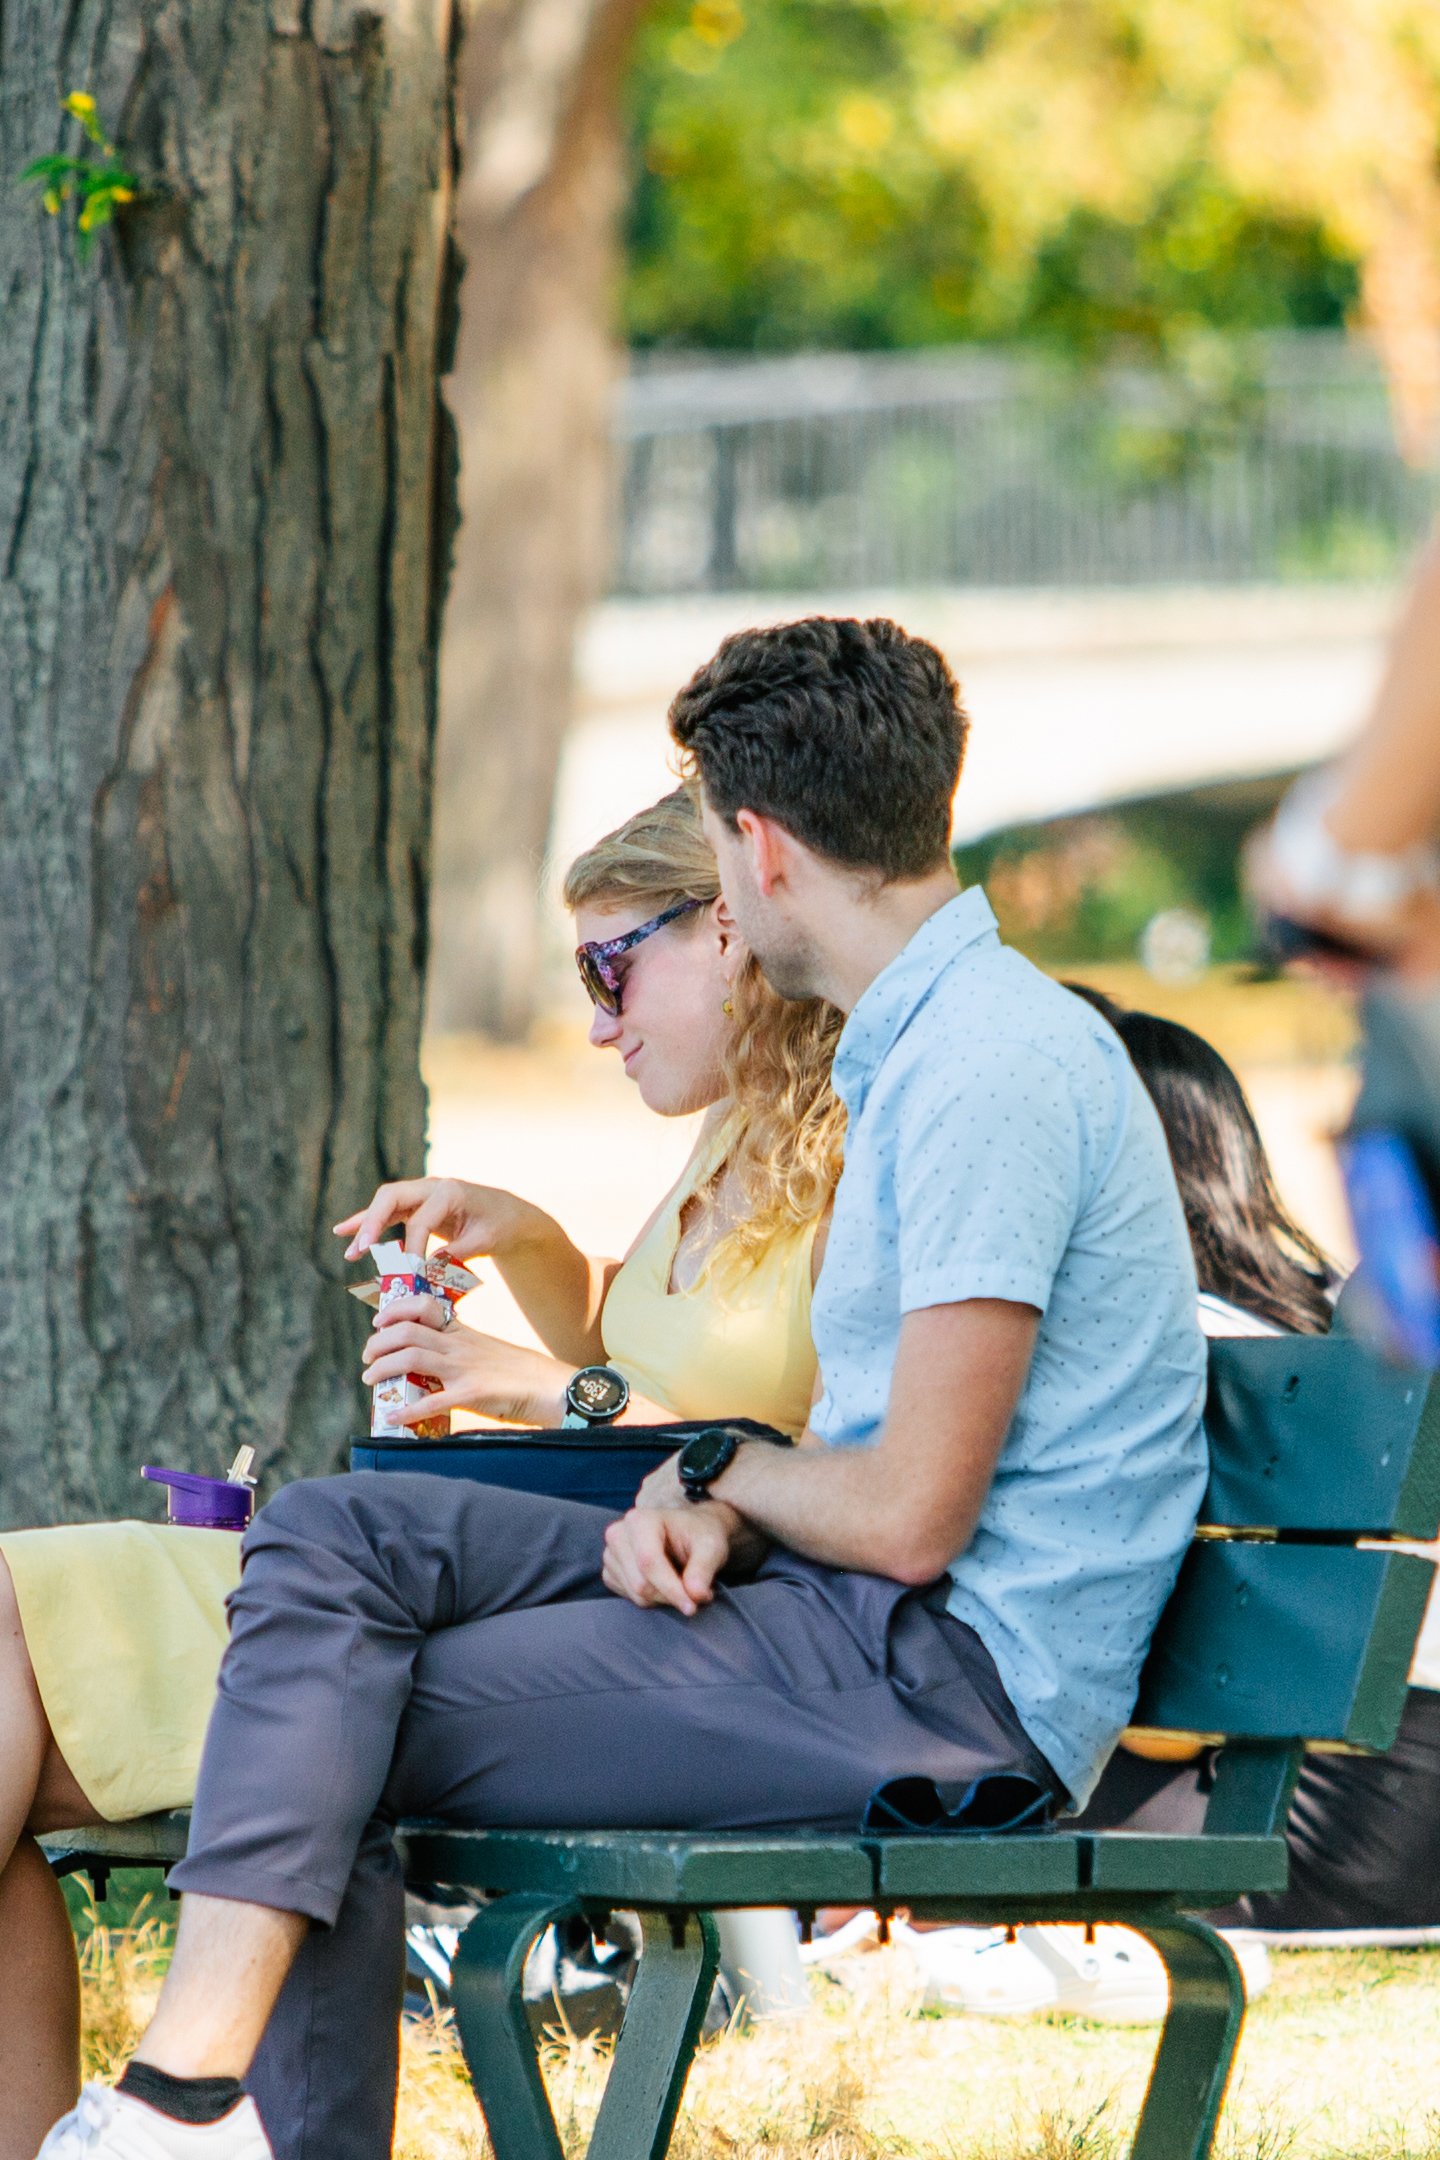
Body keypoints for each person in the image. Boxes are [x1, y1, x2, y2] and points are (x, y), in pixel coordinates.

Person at [44, 615, 1208, 2160]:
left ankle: (183, 2101)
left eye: (714, 876)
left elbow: (916, 1513)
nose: (720, 908)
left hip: (943, 1690)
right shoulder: (920, 1047)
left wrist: (716, 1477)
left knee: (340, 1707)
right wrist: (718, 1490)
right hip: (851, 1622)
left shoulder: (988, 1067)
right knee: (331, 1533)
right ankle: (193, 2111)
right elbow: (863, 1463)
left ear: (761, 849)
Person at [0, 787, 843, 2160]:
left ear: (733, 933)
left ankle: (169, 2117)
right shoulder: (729, 1142)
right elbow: (661, 1352)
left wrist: (530, 1384)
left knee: (28, 1652)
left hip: (661, 1608)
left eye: (610, 966)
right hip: (513, 1564)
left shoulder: (856, 1156)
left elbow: (787, 1445)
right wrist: (531, 1244)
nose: (596, 1018)